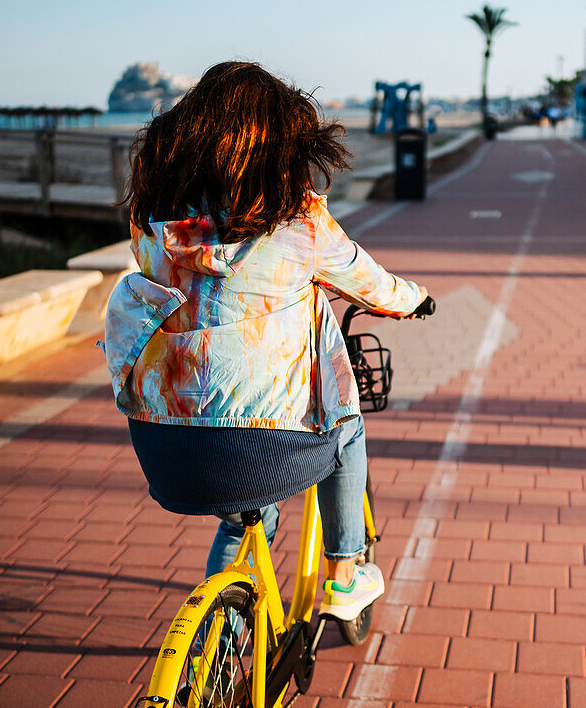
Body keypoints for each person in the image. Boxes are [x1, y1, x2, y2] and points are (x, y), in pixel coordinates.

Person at [102, 61, 426, 622]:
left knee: (244, 515)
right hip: (266, 446)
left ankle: (217, 643)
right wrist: (415, 298)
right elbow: (368, 283)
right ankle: (346, 576)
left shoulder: (152, 223)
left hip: (163, 447)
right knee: (344, 422)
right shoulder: (298, 222)